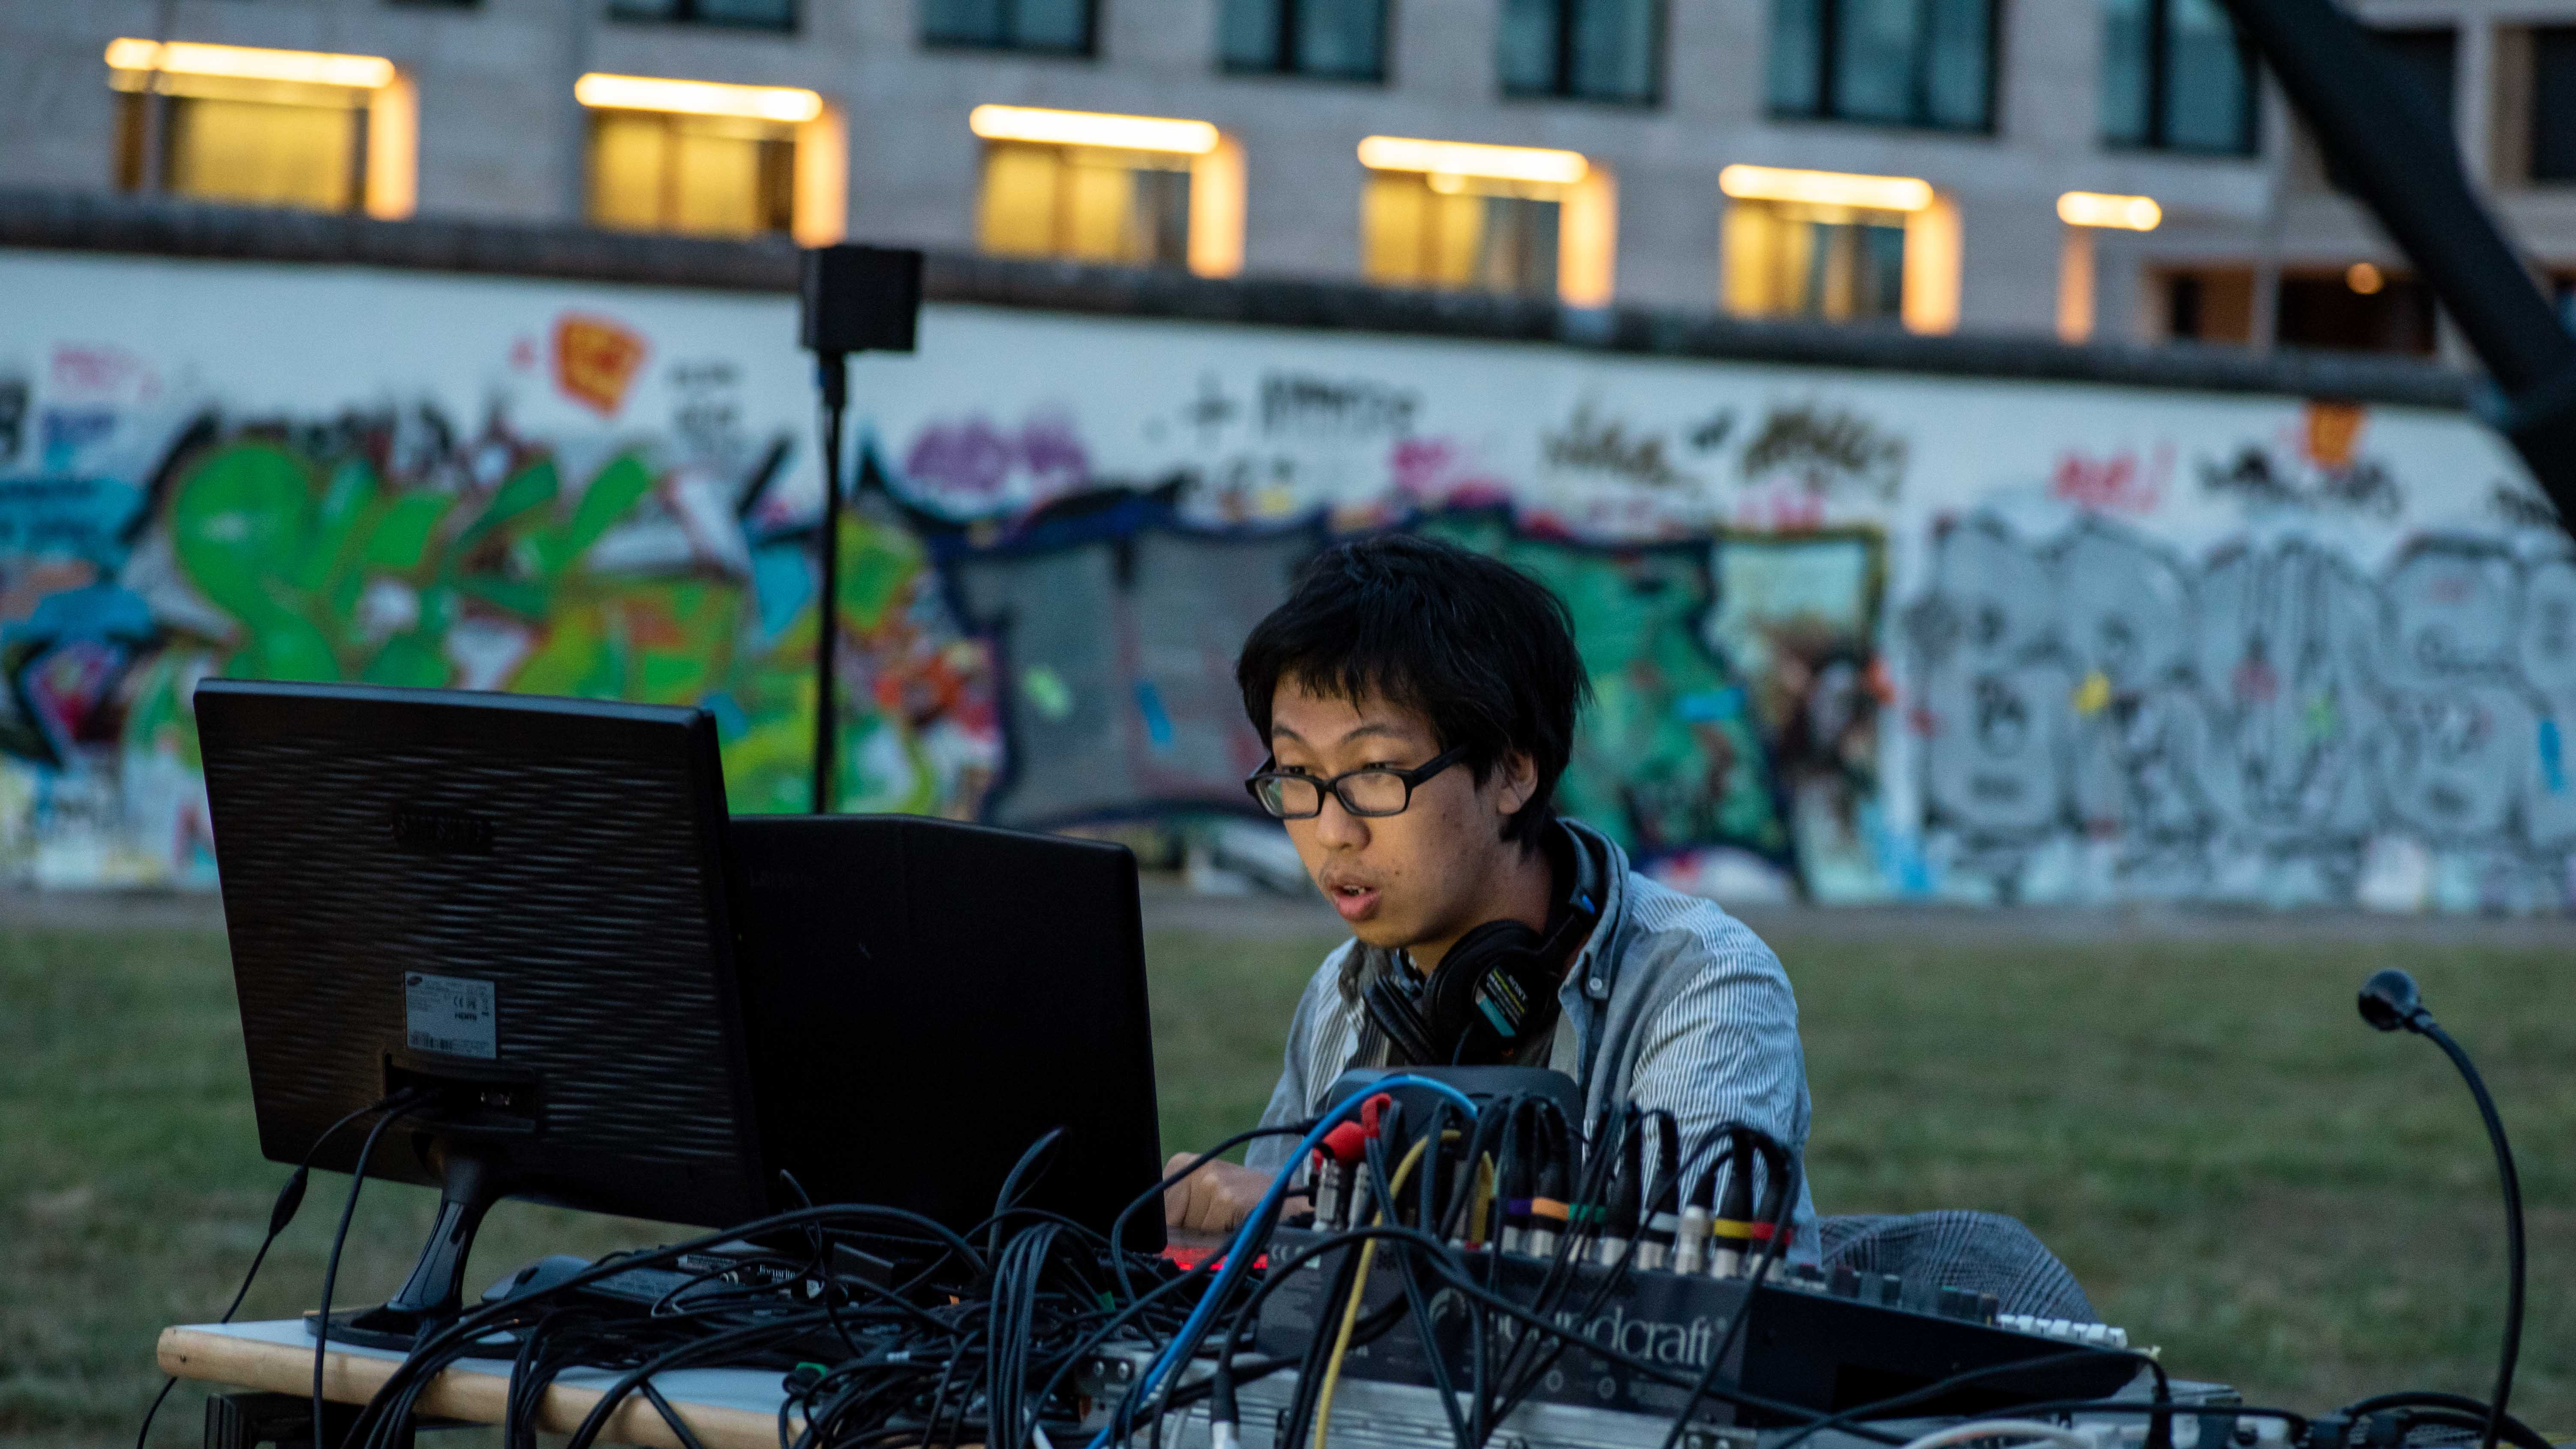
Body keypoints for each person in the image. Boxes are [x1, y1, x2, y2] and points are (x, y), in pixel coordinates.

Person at [1161, 534, 1817, 1248]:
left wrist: (1319, 1214)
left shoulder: (1703, 985)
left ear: (1512, 772)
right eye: (1297, 775)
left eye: (1375, 771)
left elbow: (1672, 1282)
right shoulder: (1341, 993)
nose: (1332, 831)